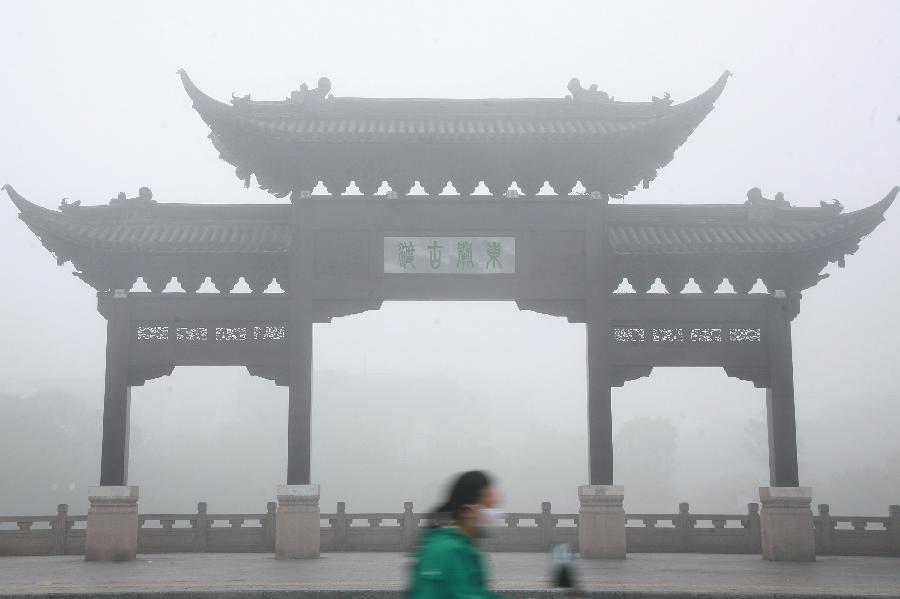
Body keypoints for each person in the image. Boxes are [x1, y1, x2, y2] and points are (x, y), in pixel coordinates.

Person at [408, 470, 503, 598]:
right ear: (466, 511)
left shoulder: (466, 549)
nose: (494, 515)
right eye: (488, 507)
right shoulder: (444, 551)